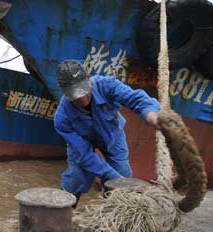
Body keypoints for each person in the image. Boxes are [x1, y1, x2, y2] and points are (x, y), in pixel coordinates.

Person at [54, 60, 160, 207]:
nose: (82, 99)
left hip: (112, 136)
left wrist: (150, 114)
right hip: (83, 143)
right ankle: (64, 211)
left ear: (89, 78)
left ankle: (110, 216)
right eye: (75, 96)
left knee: (122, 179)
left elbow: (134, 98)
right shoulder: (62, 118)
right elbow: (84, 155)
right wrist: (110, 175)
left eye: (83, 90)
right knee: (77, 177)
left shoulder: (107, 85)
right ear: (63, 90)